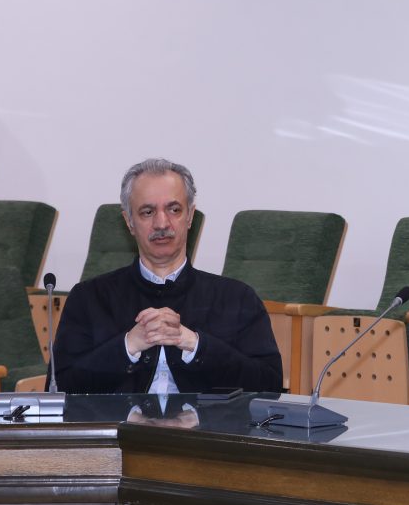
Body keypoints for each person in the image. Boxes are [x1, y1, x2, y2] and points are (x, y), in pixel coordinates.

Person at [53, 158, 282, 394]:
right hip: (119, 420)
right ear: (129, 222)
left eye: (174, 210)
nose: (161, 223)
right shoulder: (89, 298)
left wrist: (195, 344)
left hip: (205, 420)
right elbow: (59, 387)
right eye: (147, 212)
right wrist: (128, 346)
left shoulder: (237, 298)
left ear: (190, 216)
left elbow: (269, 384)